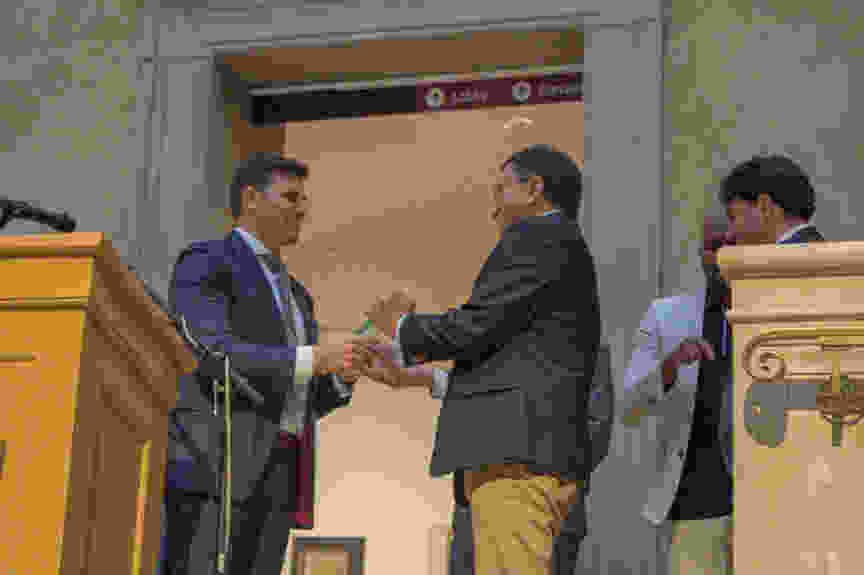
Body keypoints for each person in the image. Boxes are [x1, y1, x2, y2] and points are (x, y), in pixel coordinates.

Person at [356, 144, 602, 575]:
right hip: (530, 455)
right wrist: (412, 370)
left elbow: (475, 326)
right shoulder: (560, 246)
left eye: (501, 190)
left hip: (517, 457)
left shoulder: (538, 236)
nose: (494, 206)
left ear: (534, 189)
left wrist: (402, 325)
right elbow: (506, 354)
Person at [161, 152, 372, 575]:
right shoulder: (207, 261)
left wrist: (340, 378)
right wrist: (313, 357)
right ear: (251, 198)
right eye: (291, 197)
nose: (303, 209)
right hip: (218, 464)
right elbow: (212, 350)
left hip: (283, 470)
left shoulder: (298, 295)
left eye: (304, 199)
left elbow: (299, 394)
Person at [620, 153, 822, 575]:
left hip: (779, 489)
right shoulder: (668, 315)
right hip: (699, 498)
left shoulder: (787, 289)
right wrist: (671, 366)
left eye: (732, 243)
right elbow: (629, 408)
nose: (721, 256)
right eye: (713, 247)